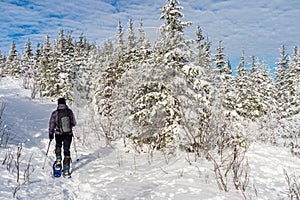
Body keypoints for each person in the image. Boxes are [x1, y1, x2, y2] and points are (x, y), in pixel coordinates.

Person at [49, 97, 76, 176]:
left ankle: (58, 161)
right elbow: (74, 122)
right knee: (66, 150)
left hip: (58, 134)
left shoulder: (55, 113)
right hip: (68, 134)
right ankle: (66, 169)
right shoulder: (69, 112)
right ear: (65, 103)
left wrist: (51, 134)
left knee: (58, 146)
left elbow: (51, 124)